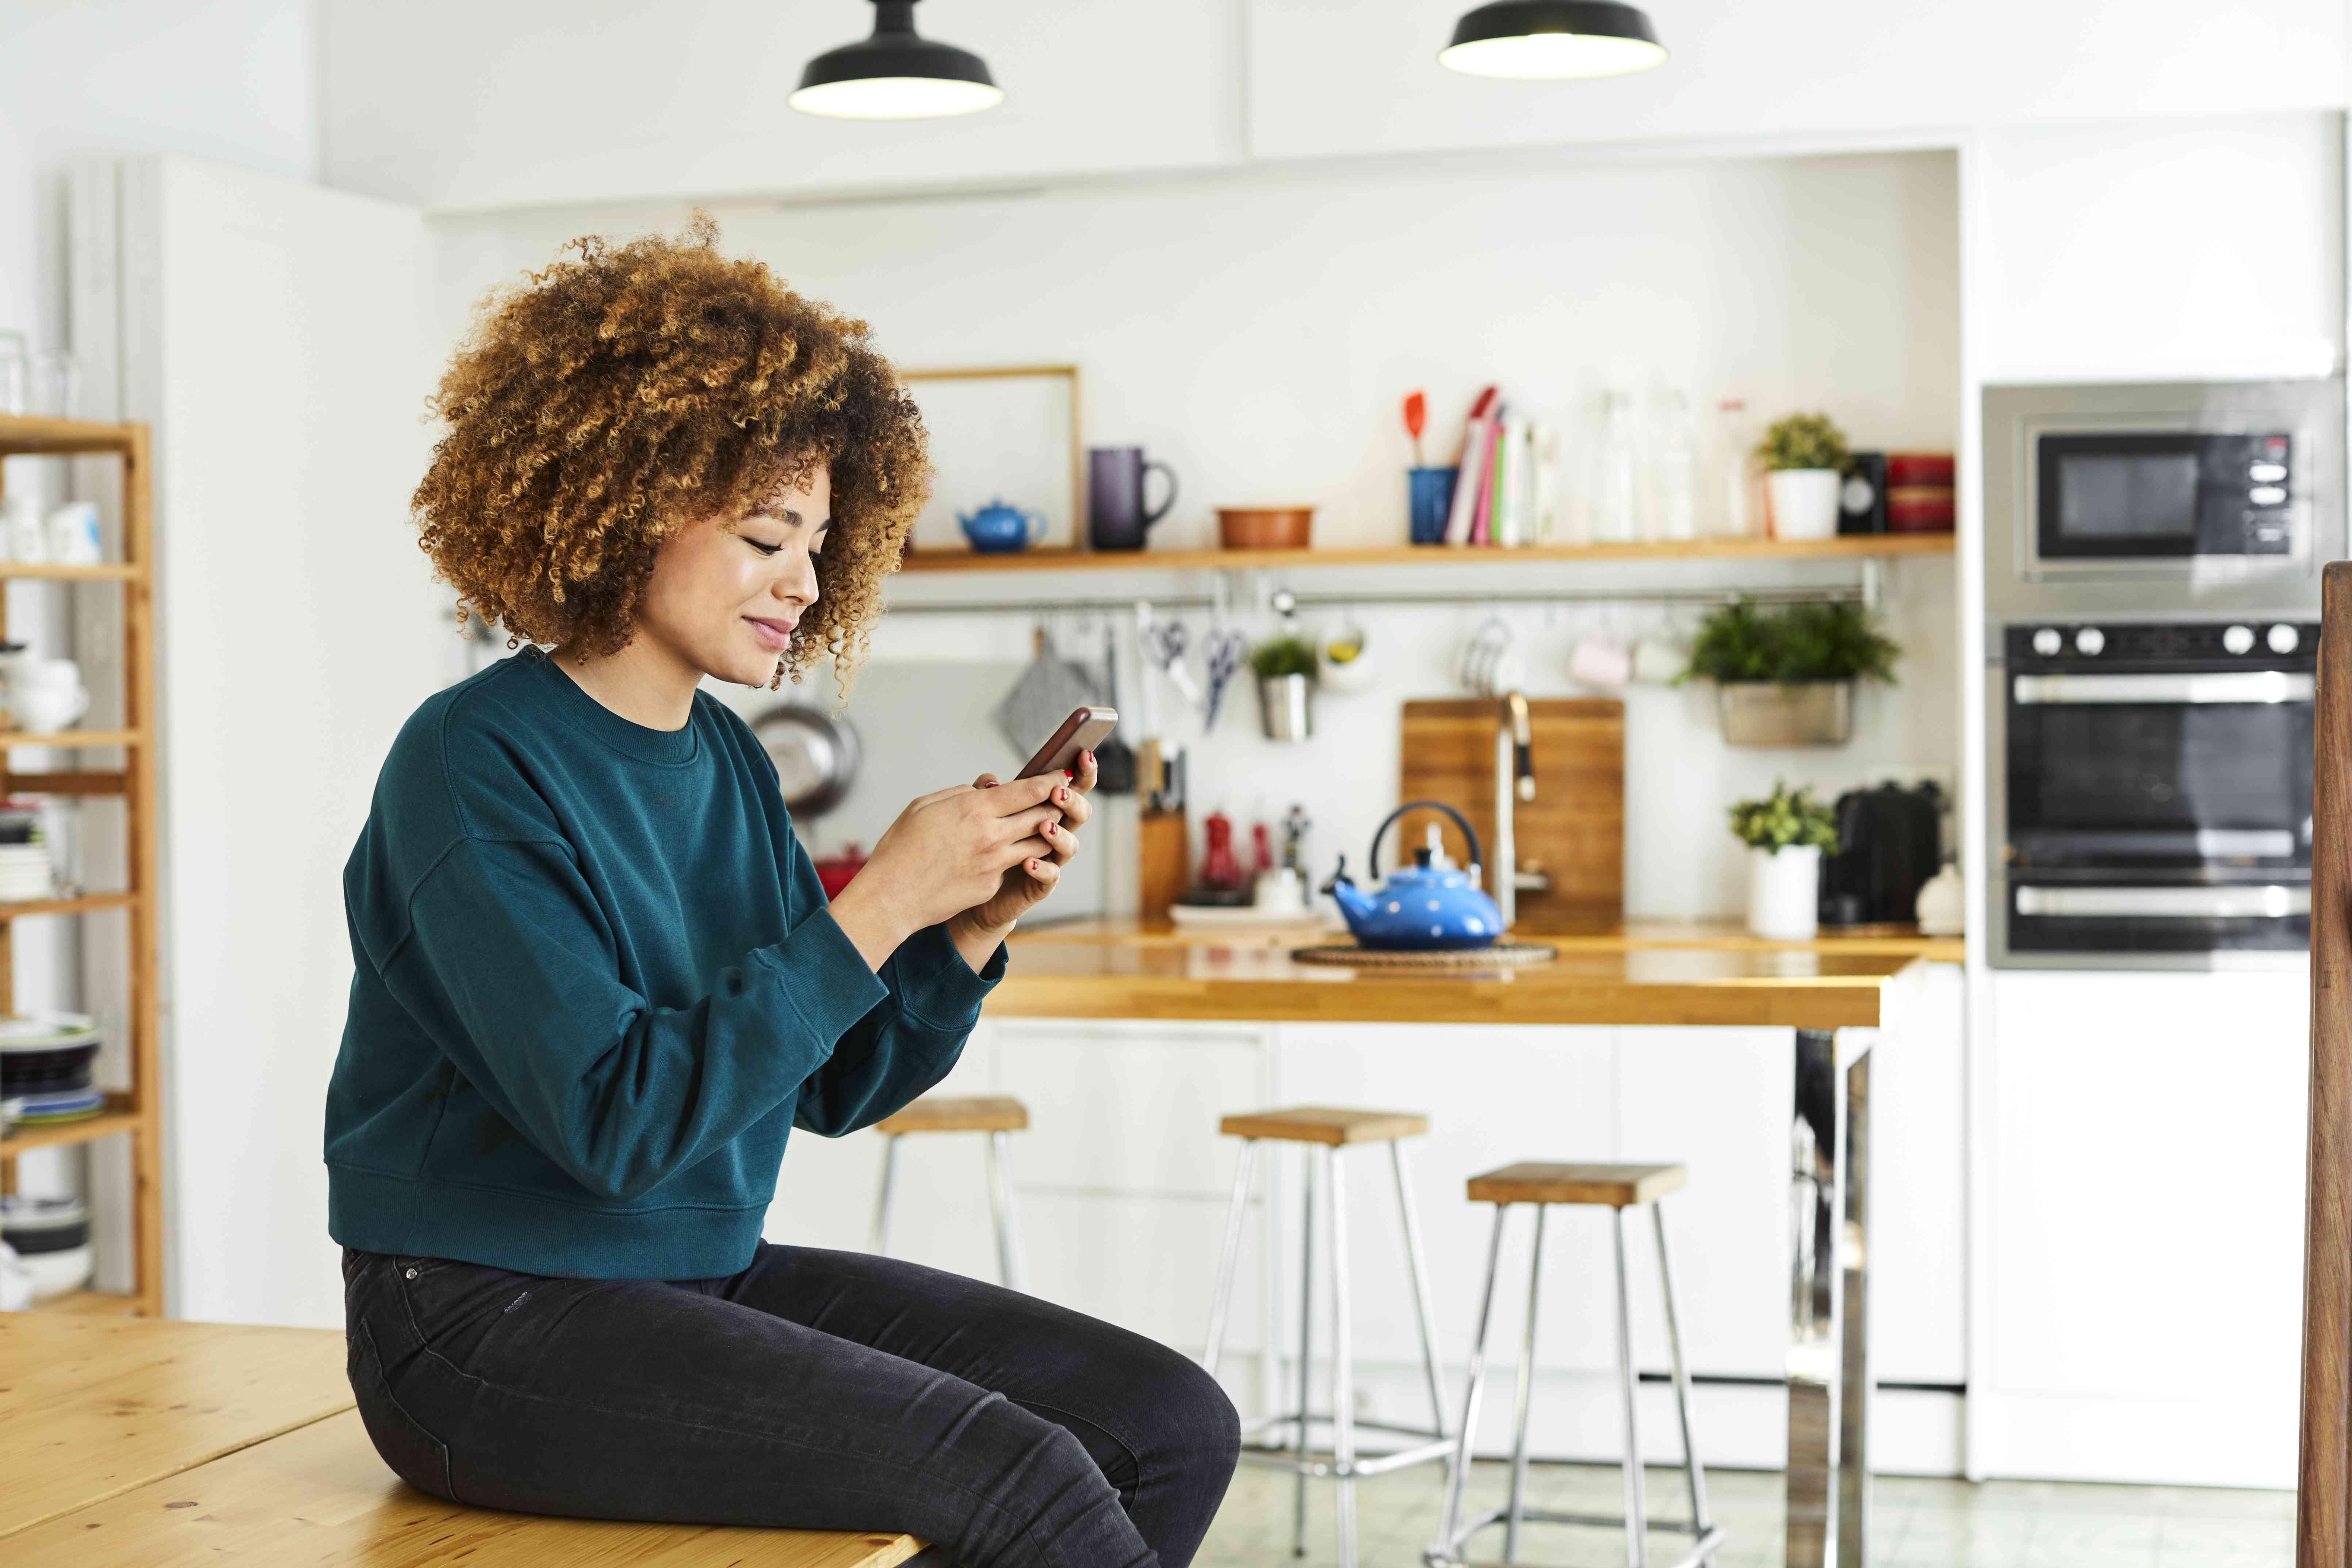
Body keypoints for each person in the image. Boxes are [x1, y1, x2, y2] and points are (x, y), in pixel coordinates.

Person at [321, 216, 1239, 1568]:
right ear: (623, 497)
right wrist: (876, 900)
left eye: (818, 542)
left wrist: (961, 929)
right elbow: (616, 1125)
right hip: (475, 1323)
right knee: (1020, 1482)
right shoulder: (469, 763)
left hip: (687, 1280)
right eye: (766, 535)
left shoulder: (732, 766)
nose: (805, 585)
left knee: (1164, 1421)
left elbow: (829, 1086)